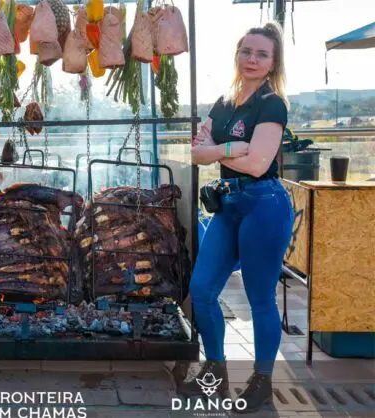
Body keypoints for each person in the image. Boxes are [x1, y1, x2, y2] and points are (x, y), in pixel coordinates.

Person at [179, 22, 295, 413]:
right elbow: (197, 153)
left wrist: (217, 148)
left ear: (273, 62)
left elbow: (259, 164)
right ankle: (215, 373)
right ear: (237, 55)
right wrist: (231, 148)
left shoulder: (271, 104)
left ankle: (262, 382)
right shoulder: (224, 102)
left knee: (259, 297)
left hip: (264, 205)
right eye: (246, 51)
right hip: (229, 205)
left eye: (262, 54)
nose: (252, 59)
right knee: (202, 289)